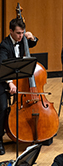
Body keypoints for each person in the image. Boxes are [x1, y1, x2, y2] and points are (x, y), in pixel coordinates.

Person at [0, 18, 38, 155]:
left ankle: (36, 132)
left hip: (20, 78)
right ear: (10, 31)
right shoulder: (4, 45)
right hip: (4, 80)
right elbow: (3, 65)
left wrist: (31, 37)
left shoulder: (23, 40)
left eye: (22, 33)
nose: (21, 36)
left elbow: (33, 42)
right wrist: (10, 82)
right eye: (18, 33)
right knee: (3, 108)